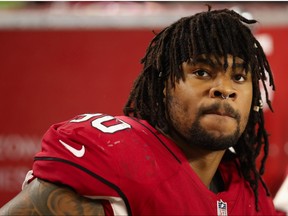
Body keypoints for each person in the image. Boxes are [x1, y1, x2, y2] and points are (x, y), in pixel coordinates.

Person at [0, 6, 281, 215]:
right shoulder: (121, 156)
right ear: (164, 86)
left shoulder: (249, 194)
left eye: (239, 77)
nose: (224, 88)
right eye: (202, 72)